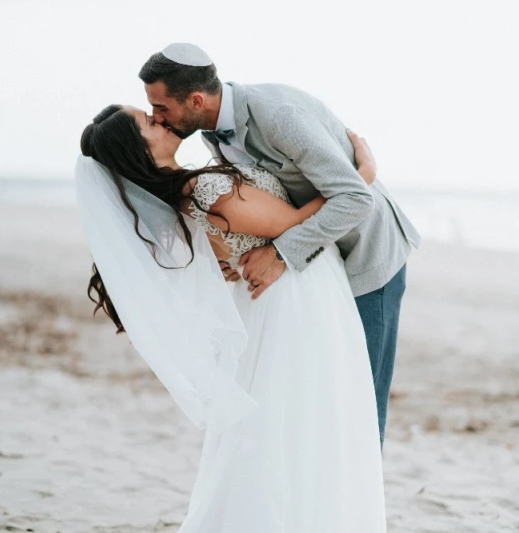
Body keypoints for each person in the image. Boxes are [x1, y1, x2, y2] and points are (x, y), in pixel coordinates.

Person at [76, 101, 390, 533]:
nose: (160, 120)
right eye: (148, 123)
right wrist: (362, 176)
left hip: (281, 300)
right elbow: (291, 221)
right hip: (297, 300)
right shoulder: (203, 188)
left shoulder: (184, 193)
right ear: (140, 151)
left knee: (284, 428)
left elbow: (224, 251)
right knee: (301, 424)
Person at [139, 43, 421, 447]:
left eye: (161, 107)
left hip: (367, 255)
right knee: (326, 395)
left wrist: (280, 254)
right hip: (323, 263)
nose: (156, 116)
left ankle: (361, 505)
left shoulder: (278, 114)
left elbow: (355, 197)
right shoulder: (213, 134)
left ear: (196, 100)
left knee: (361, 393)